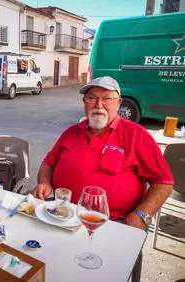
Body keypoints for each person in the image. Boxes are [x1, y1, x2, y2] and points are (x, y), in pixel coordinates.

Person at [33, 76, 173, 230]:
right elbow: (49, 163)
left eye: (107, 99)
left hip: (114, 222)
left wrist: (141, 215)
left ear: (119, 102)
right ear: (84, 102)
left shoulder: (136, 134)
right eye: (91, 98)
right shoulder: (71, 132)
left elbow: (163, 182)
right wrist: (44, 182)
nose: (99, 105)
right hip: (64, 214)